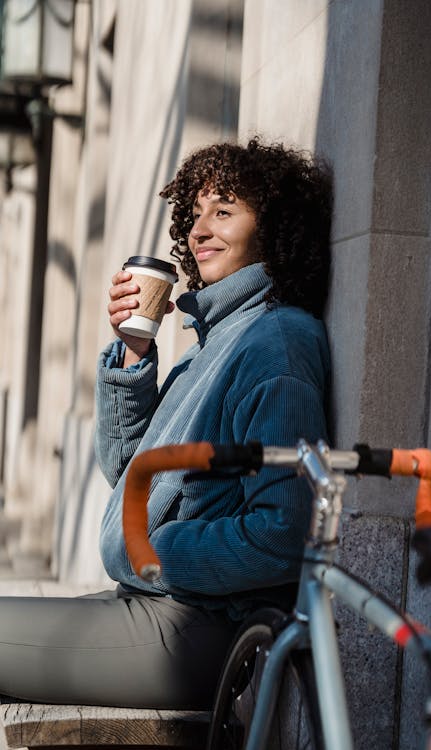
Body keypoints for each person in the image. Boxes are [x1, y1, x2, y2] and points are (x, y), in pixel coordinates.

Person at [0, 138, 332, 710]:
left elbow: (283, 537)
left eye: (223, 211)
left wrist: (158, 548)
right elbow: (127, 469)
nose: (201, 230)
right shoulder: (214, 341)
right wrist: (133, 354)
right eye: (195, 215)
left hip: (200, 633)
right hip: (154, 605)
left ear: (273, 227)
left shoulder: (274, 344)